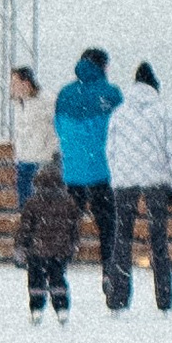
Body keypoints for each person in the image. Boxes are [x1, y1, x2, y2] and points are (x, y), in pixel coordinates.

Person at [54, 49, 126, 311]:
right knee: (108, 228)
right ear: (103, 65)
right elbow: (120, 134)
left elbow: (59, 129)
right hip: (104, 174)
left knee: (68, 228)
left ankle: (57, 273)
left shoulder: (64, 94)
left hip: (72, 174)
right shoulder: (113, 94)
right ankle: (109, 273)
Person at [107, 61, 172, 312]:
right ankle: (164, 299)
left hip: (125, 182)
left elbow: (111, 151)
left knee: (121, 239)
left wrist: (117, 178)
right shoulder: (164, 112)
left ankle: (118, 297)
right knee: (158, 240)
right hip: (156, 181)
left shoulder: (120, 112)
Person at [18, 154, 78, 321]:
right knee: (58, 278)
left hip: (37, 250)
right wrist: (72, 246)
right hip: (60, 250)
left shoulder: (32, 203)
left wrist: (21, 246)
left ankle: (37, 307)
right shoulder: (69, 203)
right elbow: (73, 228)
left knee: (36, 279)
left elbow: (25, 228)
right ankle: (62, 307)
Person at [9, 65, 54, 207]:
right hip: (24, 158)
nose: (12, 87)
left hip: (41, 159)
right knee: (25, 202)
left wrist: (49, 150)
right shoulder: (19, 103)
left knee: (39, 201)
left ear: (26, 83)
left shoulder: (46, 100)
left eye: (15, 83)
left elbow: (55, 127)